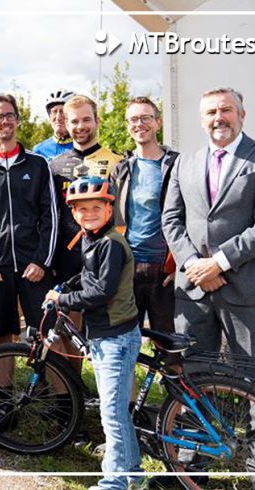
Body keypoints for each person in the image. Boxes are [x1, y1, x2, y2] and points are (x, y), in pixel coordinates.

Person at [162, 87, 255, 365]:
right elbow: (171, 219)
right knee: (196, 376)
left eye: (226, 110)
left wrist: (218, 263)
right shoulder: (184, 162)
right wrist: (194, 265)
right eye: (211, 112)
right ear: (202, 120)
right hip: (194, 290)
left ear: (241, 115)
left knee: (253, 379)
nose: (218, 117)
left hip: (248, 289)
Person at [45, 176, 142, 490]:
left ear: (109, 208)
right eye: (82, 209)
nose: (88, 213)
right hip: (105, 336)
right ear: (73, 213)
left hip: (115, 338)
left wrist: (63, 299)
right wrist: (66, 286)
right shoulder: (92, 239)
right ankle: (133, 474)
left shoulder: (111, 244)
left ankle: (114, 481)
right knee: (116, 412)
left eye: (96, 207)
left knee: (111, 414)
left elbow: (100, 291)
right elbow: (88, 275)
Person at [0, 93, 57, 404]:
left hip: (34, 267)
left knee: (46, 333)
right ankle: (1, 397)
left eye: (9, 115)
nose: (4, 121)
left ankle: (55, 401)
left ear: (17, 120)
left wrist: (42, 261)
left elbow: (50, 216)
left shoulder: (38, 164)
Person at [50, 94, 122, 371]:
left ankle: (111, 392)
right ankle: (73, 392)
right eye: (74, 121)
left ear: (97, 121)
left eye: (86, 119)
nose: (80, 126)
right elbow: (52, 214)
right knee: (69, 328)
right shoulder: (55, 166)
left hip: (104, 254)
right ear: (65, 124)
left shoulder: (116, 161)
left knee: (108, 329)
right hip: (67, 256)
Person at [110, 97, 179, 333]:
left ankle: (173, 372)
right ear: (128, 125)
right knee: (128, 342)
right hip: (129, 269)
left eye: (146, 117)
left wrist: (181, 263)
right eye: (133, 119)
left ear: (158, 122)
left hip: (165, 269)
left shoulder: (177, 165)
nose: (140, 124)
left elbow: (192, 215)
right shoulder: (121, 169)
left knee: (169, 346)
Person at [32, 89, 75, 161]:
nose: (58, 117)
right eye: (54, 112)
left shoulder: (83, 146)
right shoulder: (39, 150)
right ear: (49, 116)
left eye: (63, 111)